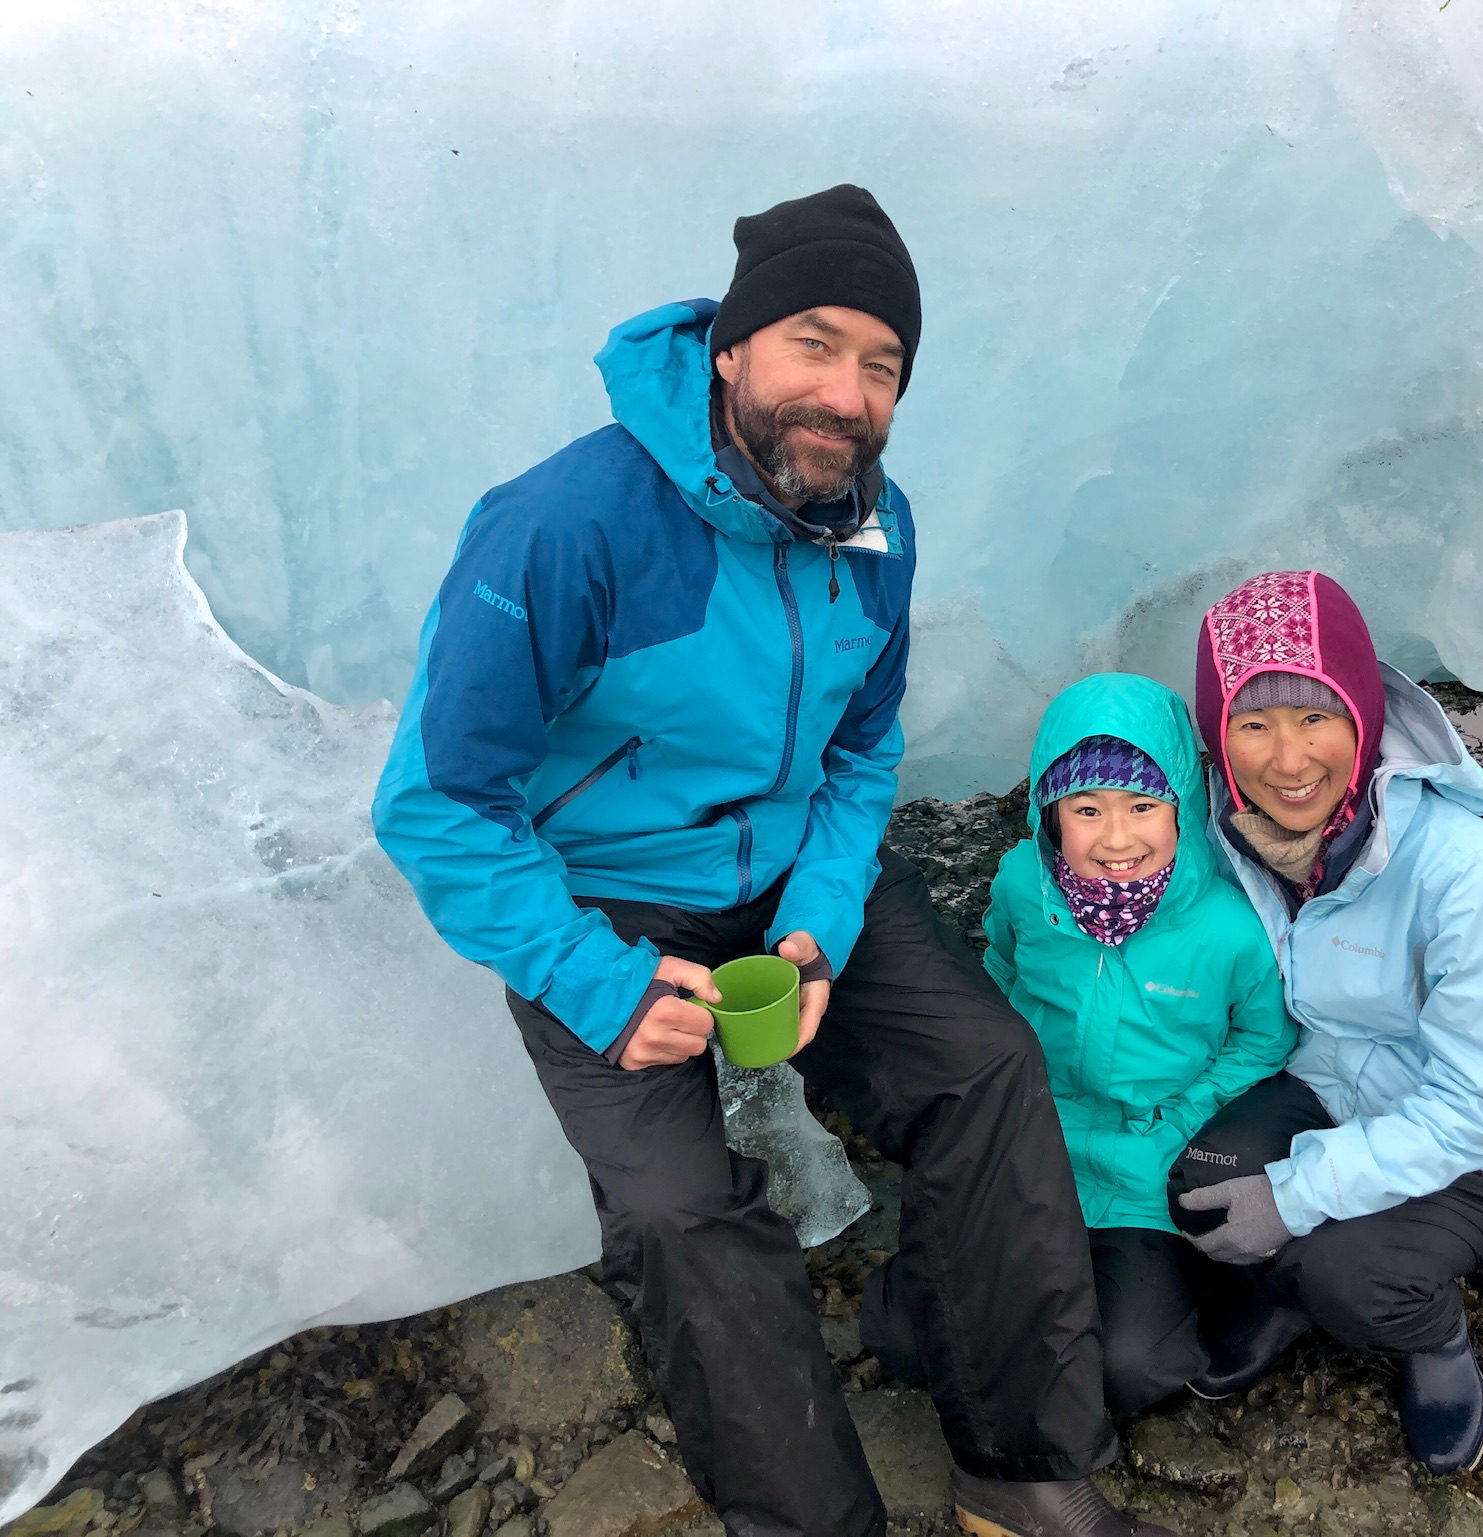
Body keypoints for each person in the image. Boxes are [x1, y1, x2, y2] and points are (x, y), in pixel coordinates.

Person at [374, 185, 1168, 1537]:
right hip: (609, 902)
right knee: (682, 1212)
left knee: (982, 1068)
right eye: (815, 344)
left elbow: (861, 747)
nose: (846, 394)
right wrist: (596, 981)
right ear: (731, 346)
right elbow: (439, 801)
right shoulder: (567, 525)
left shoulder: (877, 526)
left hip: (793, 870)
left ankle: (1019, 1462)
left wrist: (818, 922)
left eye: (882, 365)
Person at [1168, 570, 1483, 1476]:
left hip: (1475, 1149)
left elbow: (1482, 1104)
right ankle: (1286, 1295)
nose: (1287, 759)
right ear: (1218, 736)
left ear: (1363, 712)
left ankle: (1429, 1333)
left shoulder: (1477, 873)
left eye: (1315, 716)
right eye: (1252, 724)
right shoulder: (1238, 832)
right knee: (1197, 1182)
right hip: (1326, 1085)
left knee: (1346, 1272)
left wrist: (1294, 1195)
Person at [862, 673, 1293, 1417]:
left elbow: (1264, 1038)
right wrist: (994, 1093)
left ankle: (1198, 1291)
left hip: (1148, 1168)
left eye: (1143, 806)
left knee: (1125, 1368)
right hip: (1028, 1145)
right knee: (907, 1336)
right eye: (1086, 809)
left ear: (1183, 807)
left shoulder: (1230, 926)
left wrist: (1183, 1117)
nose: (1117, 839)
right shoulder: (1023, 885)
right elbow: (1000, 970)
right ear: (1049, 812)